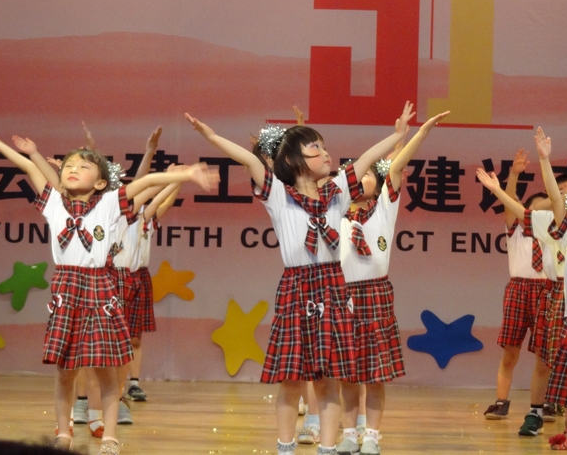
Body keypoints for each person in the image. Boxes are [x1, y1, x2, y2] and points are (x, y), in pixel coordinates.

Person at [185, 102, 414, 455]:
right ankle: (285, 447)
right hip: (297, 287)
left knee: (328, 380)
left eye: (324, 146)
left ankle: (327, 448)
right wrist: (212, 136)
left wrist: (396, 135)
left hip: (333, 287)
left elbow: (367, 159)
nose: (326, 153)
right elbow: (247, 161)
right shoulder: (279, 195)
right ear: (293, 160)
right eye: (315, 148)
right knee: (291, 381)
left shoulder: (337, 191)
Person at [0, 130, 217, 454]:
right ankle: (64, 433)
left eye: (83, 166)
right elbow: (29, 168)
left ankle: (109, 436)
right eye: (69, 165)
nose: (73, 169)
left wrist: (186, 174)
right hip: (67, 288)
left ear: (100, 183)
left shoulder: (109, 203)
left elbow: (147, 182)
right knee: (65, 370)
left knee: (106, 368)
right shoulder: (54, 202)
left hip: (99, 287)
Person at [336, 111, 449, 455]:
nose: (360, 179)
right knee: (347, 375)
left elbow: (397, 166)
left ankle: (371, 434)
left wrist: (419, 132)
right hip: (343, 296)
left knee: (375, 375)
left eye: (367, 174)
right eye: (354, 176)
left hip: (376, 294)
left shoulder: (385, 206)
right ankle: (348, 433)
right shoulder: (334, 214)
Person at [479, 148, 561, 436]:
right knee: (510, 352)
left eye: (546, 209)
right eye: (536, 208)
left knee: (545, 353)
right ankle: (501, 402)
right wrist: (513, 175)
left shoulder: (554, 234)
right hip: (519, 289)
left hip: (546, 291)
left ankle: (545, 403)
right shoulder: (515, 228)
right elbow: (510, 201)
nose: (540, 212)